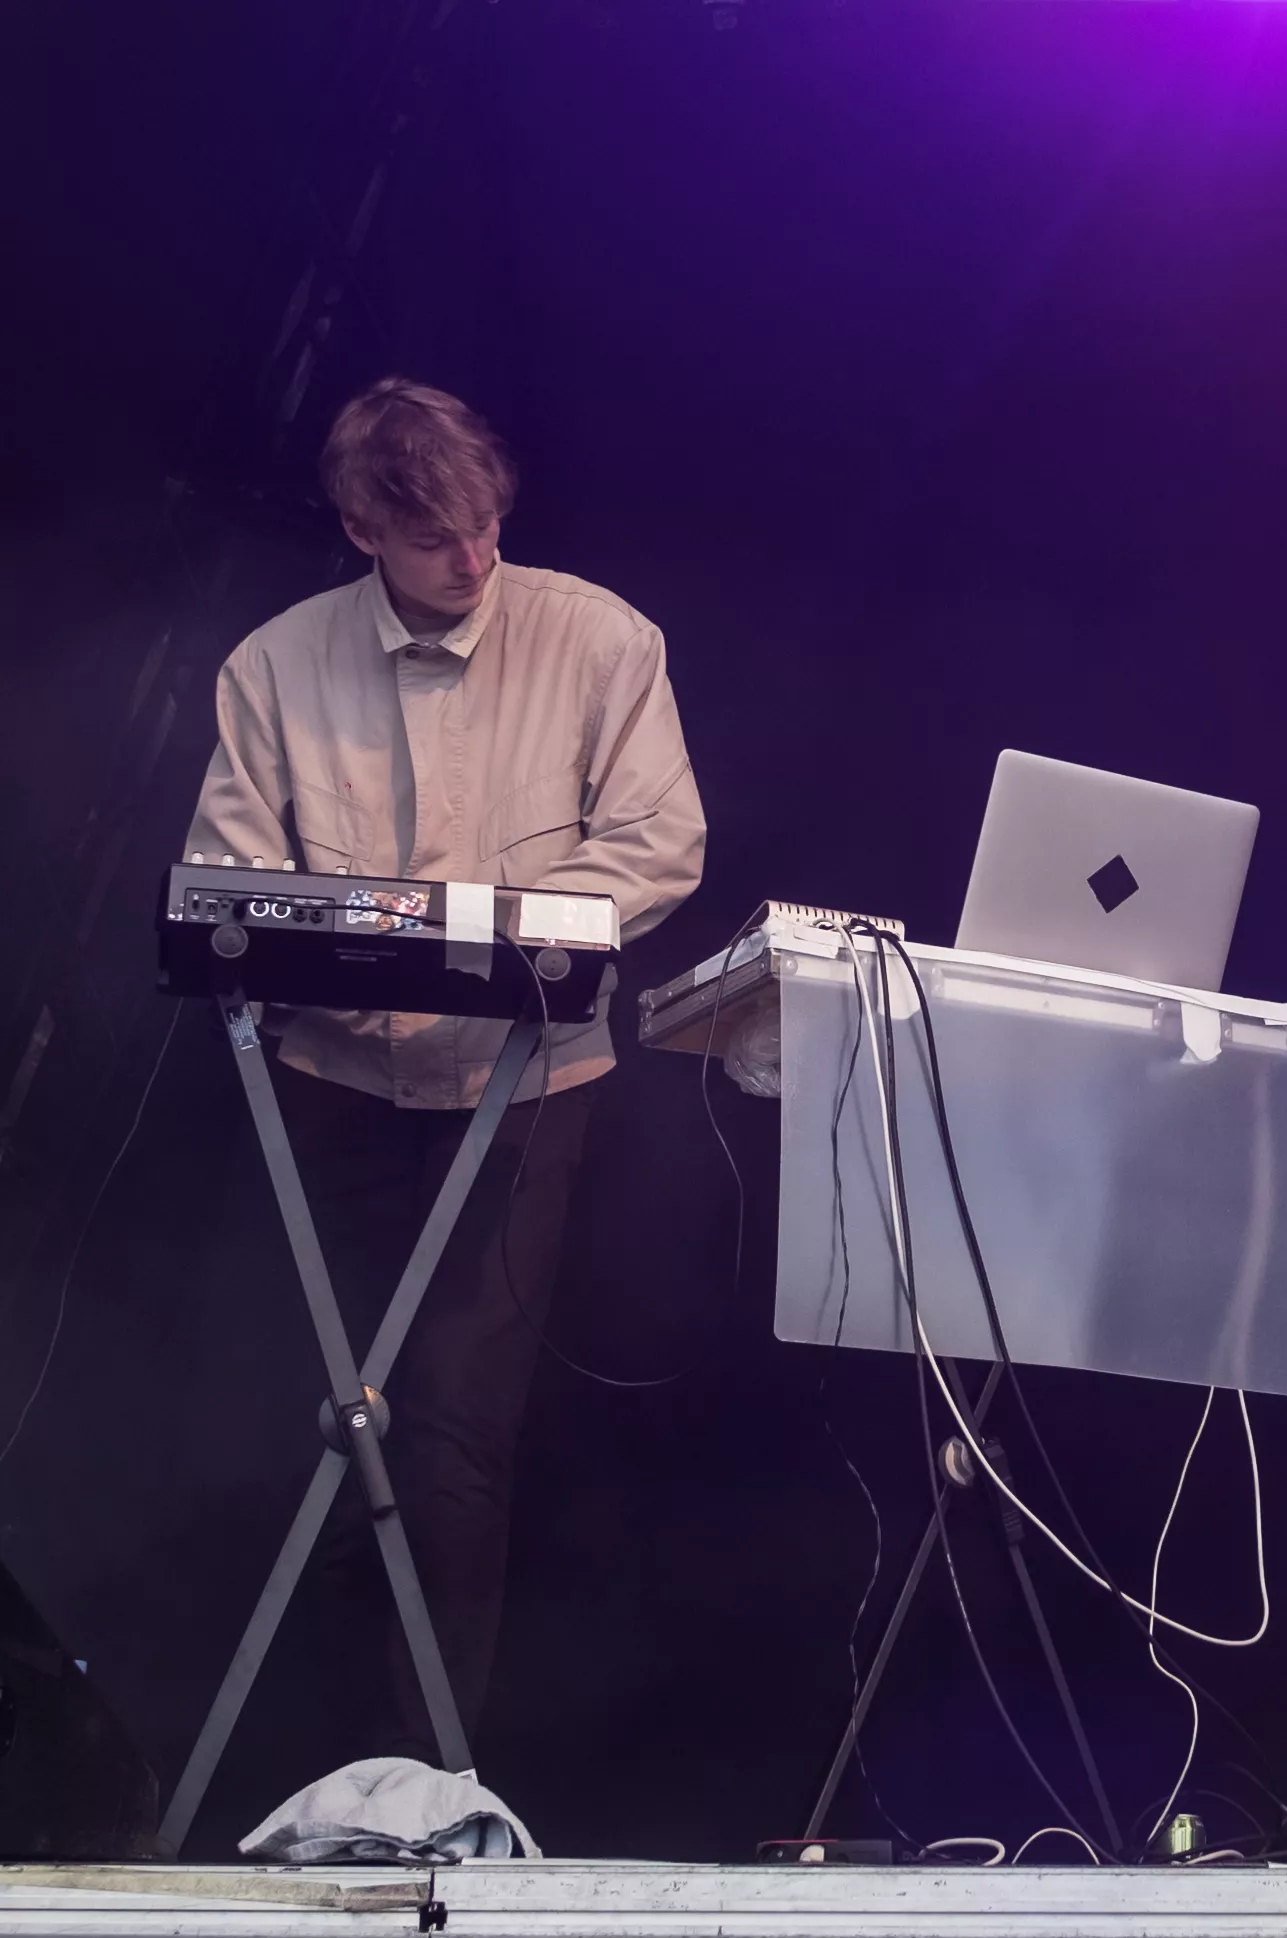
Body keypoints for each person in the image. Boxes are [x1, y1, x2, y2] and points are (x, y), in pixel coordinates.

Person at [185, 376, 705, 1755]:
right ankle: (307, 1771)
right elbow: (230, 877)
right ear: (361, 529)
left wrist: (492, 934)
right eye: (434, 540)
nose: (473, 560)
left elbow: (660, 844)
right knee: (321, 1417)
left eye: (487, 527)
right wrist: (374, 938)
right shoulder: (273, 666)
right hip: (334, 1086)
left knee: (458, 1434)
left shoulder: (599, 638)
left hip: (521, 1093)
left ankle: (430, 1782)